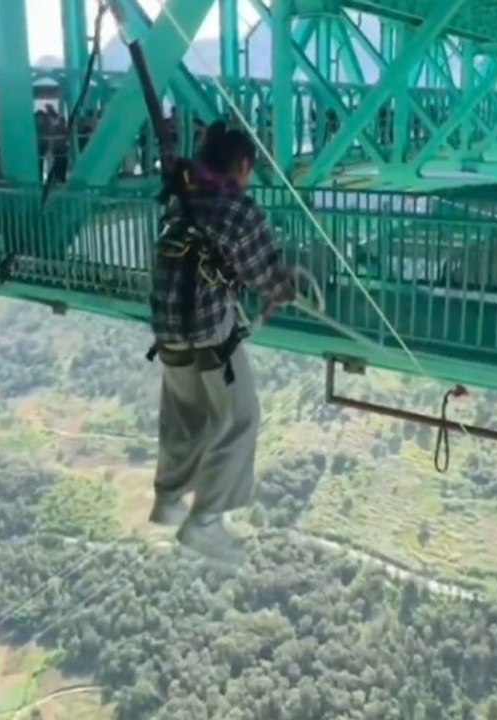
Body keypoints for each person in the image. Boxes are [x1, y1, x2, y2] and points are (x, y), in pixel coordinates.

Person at [147, 120, 296, 566]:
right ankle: (205, 521)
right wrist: (286, 286)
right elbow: (264, 276)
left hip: (167, 323)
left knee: (187, 415)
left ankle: (169, 498)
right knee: (238, 419)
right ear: (244, 166)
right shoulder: (236, 210)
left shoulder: (181, 196)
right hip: (208, 327)